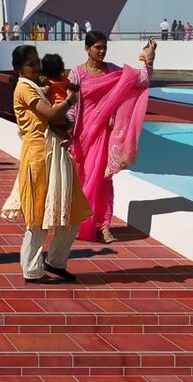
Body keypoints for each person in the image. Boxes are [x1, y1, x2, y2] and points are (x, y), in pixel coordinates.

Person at [6, 44, 90, 283]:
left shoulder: (38, 86)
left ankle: (56, 260)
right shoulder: (24, 88)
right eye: (30, 64)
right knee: (38, 216)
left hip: (55, 152)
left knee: (71, 211)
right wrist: (70, 101)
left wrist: (66, 124)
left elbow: (56, 118)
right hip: (39, 156)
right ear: (19, 68)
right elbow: (52, 114)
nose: (36, 68)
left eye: (36, 62)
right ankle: (32, 269)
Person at [67, 31, 155, 243]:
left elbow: (141, 80)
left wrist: (148, 59)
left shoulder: (113, 72)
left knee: (104, 180)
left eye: (104, 46)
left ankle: (103, 226)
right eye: (97, 47)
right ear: (87, 49)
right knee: (83, 178)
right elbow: (71, 104)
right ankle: (79, 222)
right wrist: (66, 131)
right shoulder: (76, 74)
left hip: (105, 135)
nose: (102, 51)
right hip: (82, 135)